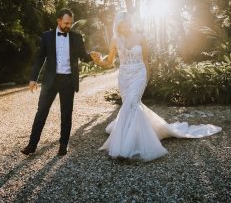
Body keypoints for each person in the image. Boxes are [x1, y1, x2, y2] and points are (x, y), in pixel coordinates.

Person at [94, 11, 222, 161]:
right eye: (121, 26)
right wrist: (98, 61)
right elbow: (109, 62)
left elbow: (146, 60)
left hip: (139, 74)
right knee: (129, 105)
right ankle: (134, 137)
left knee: (133, 103)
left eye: (126, 25)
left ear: (130, 23)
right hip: (124, 77)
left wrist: (146, 78)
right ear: (118, 26)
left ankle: (126, 149)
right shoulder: (115, 40)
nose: (124, 28)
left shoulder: (140, 37)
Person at [21, 8, 100, 156]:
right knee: (41, 113)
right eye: (66, 23)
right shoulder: (47, 37)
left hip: (68, 80)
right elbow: (39, 58)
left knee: (66, 114)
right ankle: (32, 145)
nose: (68, 26)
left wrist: (92, 56)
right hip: (50, 80)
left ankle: (63, 145)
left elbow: (83, 56)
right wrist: (33, 78)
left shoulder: (77, 37)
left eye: (70, 23)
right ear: (58, 21)